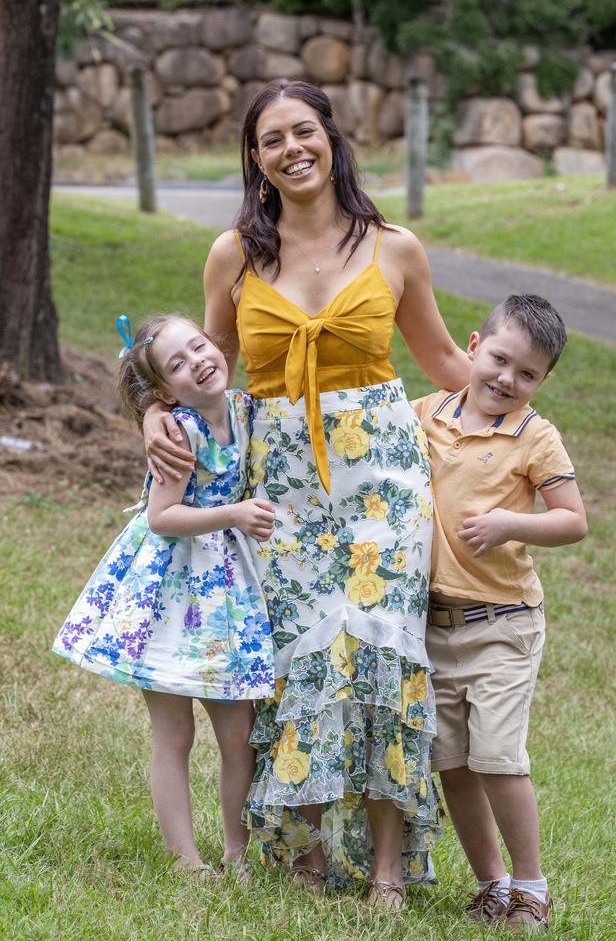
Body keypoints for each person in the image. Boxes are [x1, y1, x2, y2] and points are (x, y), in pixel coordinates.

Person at [144, 78, 470, 908]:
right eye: (271, 140)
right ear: (254, 159)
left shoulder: (395, 247)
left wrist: (509, 386)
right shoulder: (235, 254)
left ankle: (390, 870)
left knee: (385, 651)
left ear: (331, 135)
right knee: (298, 660)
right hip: (280, 482)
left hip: (383, 481)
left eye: (303, 131)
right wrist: (154, 411)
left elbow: (441, 364)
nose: (291, 150)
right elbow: (205, 369)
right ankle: (307, 853)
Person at [53, 313, 276, 878]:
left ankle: (237, 852)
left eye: (199, 346)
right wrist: (235, 514)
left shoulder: (247, 409)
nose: (198, 361)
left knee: (240, 734)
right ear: (163, 392)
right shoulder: (177, 431)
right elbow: (161, 517)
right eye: (178, 363)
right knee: (174, 732)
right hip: (172, 593)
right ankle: (185, 860)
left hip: (227, 597)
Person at [413, 294, 588, 933]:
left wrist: (511, 522)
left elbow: (573, 520)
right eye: (499, 359)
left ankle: (532, 888)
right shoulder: (424, 414)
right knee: (452, 763)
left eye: (527, 374)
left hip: (503, 625)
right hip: (432, 625)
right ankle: (491, 883)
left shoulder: (535, 436)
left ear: (541, 382)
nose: (506, 379)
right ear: (473, 345)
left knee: (497, 757)